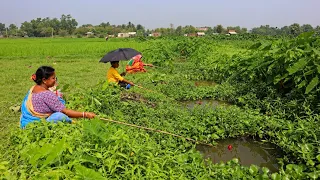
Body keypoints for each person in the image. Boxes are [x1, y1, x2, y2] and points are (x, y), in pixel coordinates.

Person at [20, 66, 96, 128]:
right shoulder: (46, 94)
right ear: (44, 80)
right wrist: (85, 114)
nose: (55, 80)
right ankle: (77, 125)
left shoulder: (33, 88)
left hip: (25, 122)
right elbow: (65, 111)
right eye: (53, 78)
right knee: (60, 116)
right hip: (36, 124)